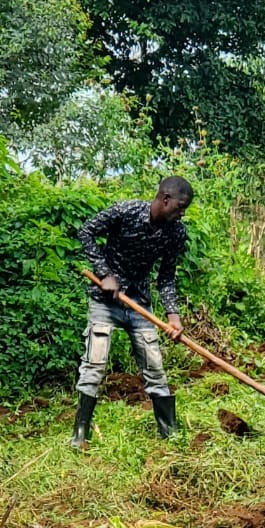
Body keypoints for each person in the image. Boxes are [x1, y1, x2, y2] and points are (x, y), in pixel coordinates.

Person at [70, 176, 193, 448]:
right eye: (180, 206)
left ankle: (170, 434)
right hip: (105, 301)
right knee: (94, 365)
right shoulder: (126, 211)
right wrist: (105, 274)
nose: (182, 213)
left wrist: (173, 316)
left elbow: (166, 277)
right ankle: (80, 434)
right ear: (165, 199)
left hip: (139, 303)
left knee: (155, 368)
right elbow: (86, 231)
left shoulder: (176, 232)